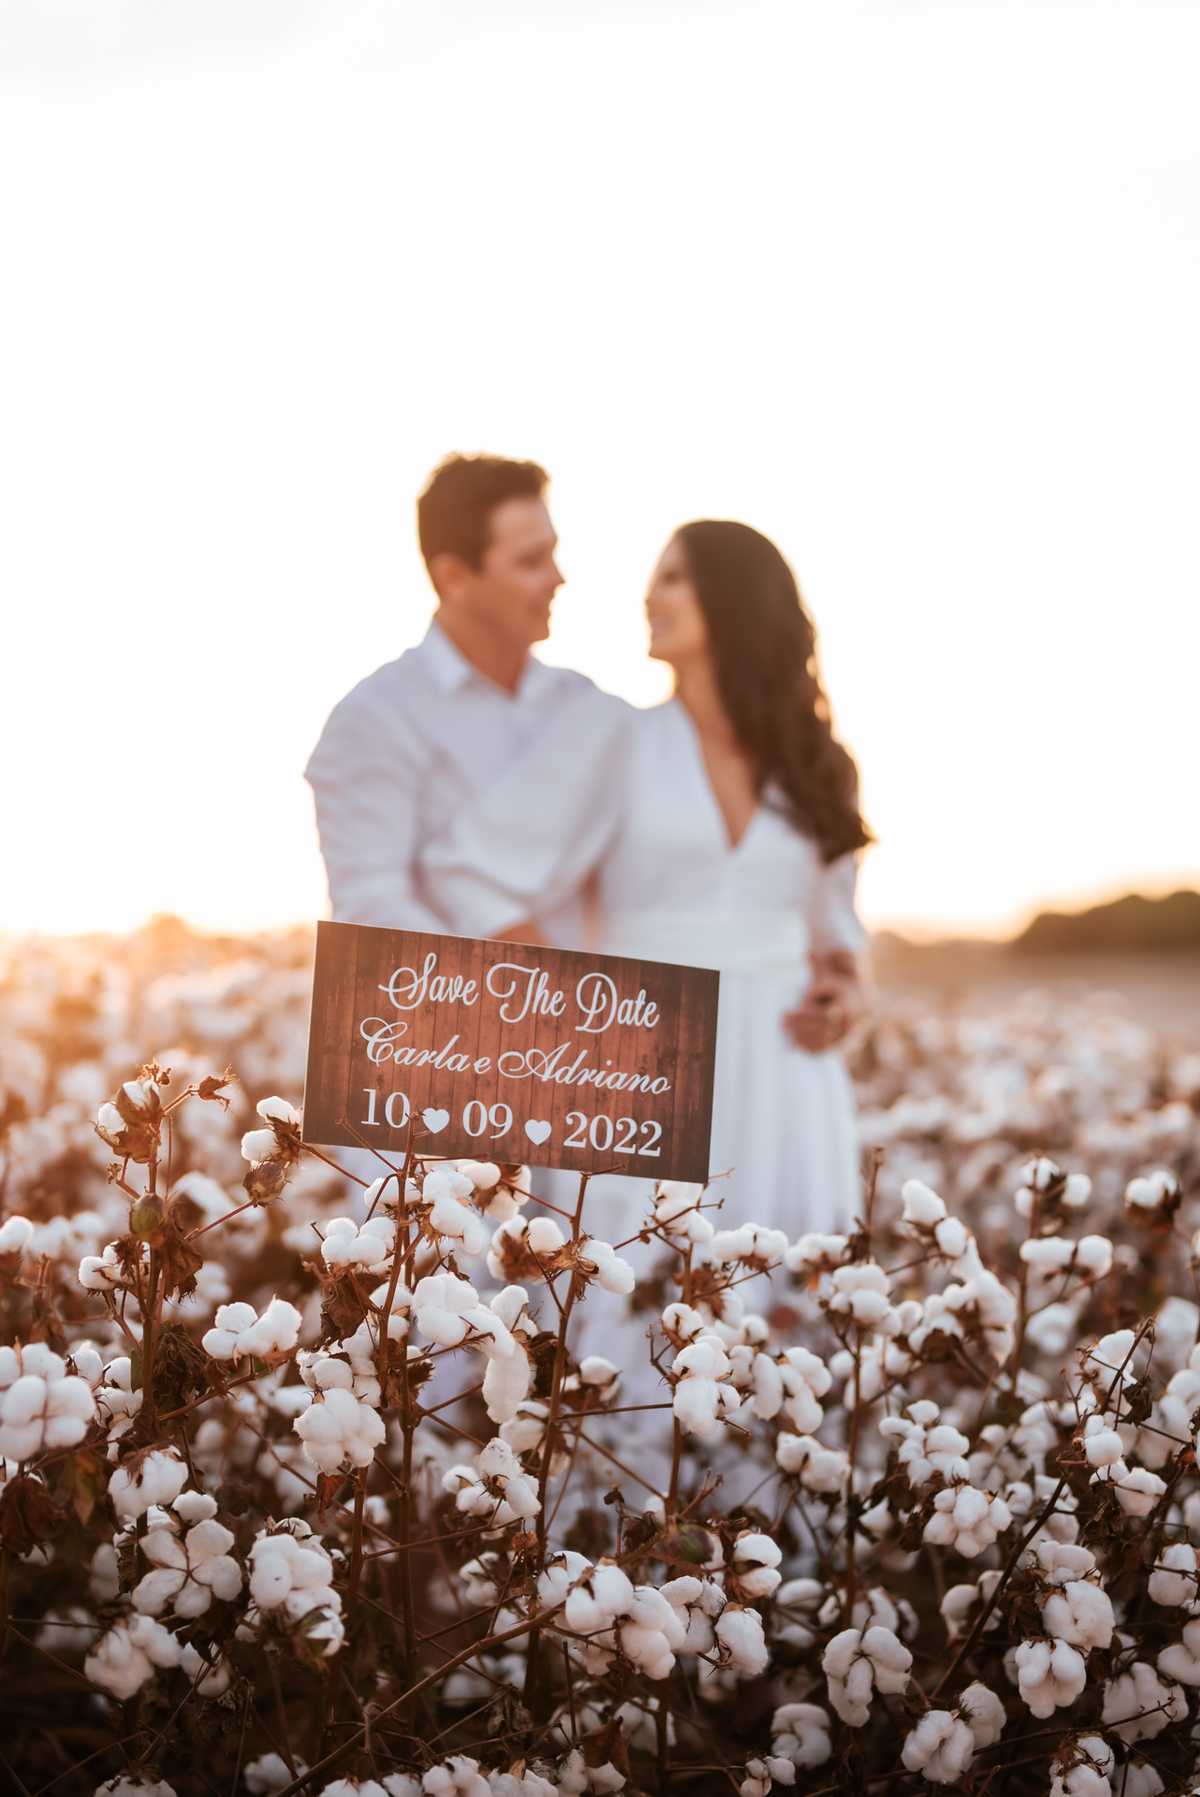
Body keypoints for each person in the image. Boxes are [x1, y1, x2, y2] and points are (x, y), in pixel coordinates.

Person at [305, 452, 627, 950]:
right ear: (453, 577)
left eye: (553, 553)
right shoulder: (374, 718)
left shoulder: (582, 703)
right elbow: (370, 904)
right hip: (450, 1022)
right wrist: (516, 1000)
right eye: (530, 562)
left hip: (595, 1017)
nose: (557, 578)